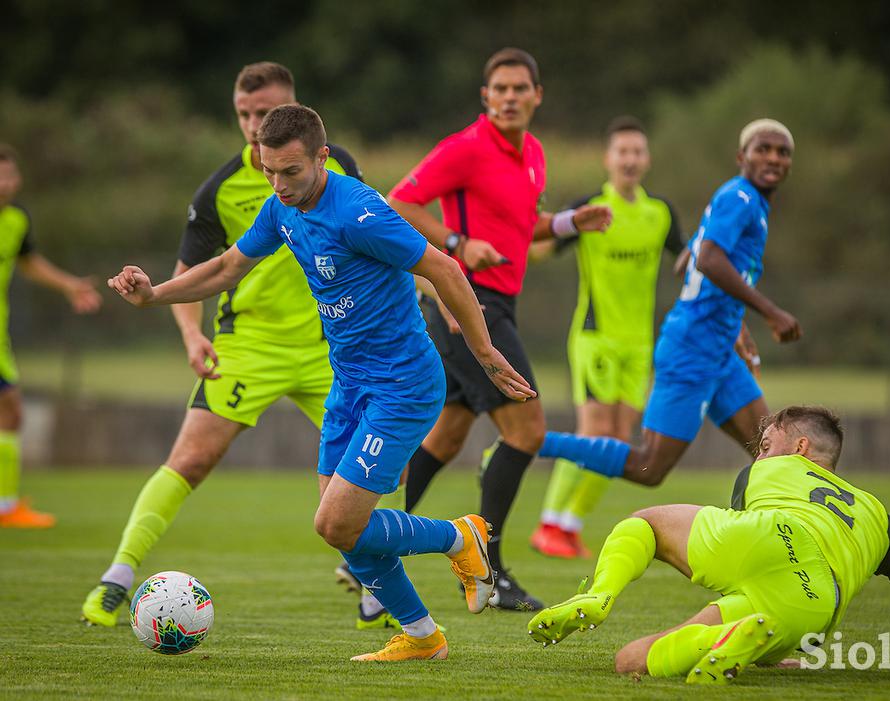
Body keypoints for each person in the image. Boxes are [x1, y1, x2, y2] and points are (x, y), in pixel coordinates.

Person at [108, 103, 536, 662]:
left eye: (291, 171)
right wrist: (154, 295)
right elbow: (225, 268)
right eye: (269, 172)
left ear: (322, 157)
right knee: (341, 531)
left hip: (403, 385)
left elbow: (444, 268)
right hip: (350, 384)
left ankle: (461, 537)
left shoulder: (359, 212)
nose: (279, 185)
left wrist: (483, 351)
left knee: (337, 520)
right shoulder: (280, 211)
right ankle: (425, 637)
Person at [79, 62, 383, 627]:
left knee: (378, 462)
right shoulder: (221, 188)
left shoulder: (334, 166)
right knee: (189, 459)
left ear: (296, 113)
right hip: (249, 345)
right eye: (243, 113)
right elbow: (204, 270)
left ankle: (375, 590)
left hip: (330, 348)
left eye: (264, 112)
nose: (252, 124)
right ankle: (117, 578)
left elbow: (376, 241)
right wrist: (192, 334)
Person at [388, 47, 612, 610]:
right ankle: (488, 572)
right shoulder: (464, 148)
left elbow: (521, 226)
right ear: (486, 98)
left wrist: (567, 223)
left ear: (538, 96)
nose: (510, 97)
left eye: (521, 89)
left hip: (498, 302)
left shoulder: (533, 152)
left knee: (447, 435)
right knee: (526, 432)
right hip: (468, 302)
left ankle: (366, 537)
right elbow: (398, 203)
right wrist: (459, 243)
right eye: (500, 89)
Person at [528, 406, 890, 683]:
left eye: (765, 445)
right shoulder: (876, 515)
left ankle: (600, 593)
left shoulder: (770, 472)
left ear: (800, 447)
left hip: (774, 537)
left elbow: (745, 557)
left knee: (644, 524)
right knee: (632, 662)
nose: (760, 456)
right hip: (814, 609)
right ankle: (732, 640)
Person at [536, 119, 802, 488]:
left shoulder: (744, 201)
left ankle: (775, 532)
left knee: (773, 456)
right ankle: (534, 442)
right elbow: (708, 259)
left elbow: (691, 256)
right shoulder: (739, 198)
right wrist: (771, 313)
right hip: (691, 349)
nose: (773, 158)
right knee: (649, 468)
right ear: (742, 156)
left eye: (782, 152)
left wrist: (734, 322)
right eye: (763, 149)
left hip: (719, 349)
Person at [528, 117, 685, 559]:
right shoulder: (591, 206)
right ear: (608, 159)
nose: (630, 159)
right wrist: (522, 221)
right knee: (594, 428)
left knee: (620, 441)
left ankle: (570, 526)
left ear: (646, 159)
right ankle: (548, 523)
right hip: (595, 339)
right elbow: (540, 249)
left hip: (638, 343)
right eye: (623, 151)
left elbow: (691, 259)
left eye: (637, 151)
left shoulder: (661, 215)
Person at [0, 144, 102, 528]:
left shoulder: (16, 219)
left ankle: (6, 506)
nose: (5, 184)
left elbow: (27, 261)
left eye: (10, 175)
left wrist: (69, 285)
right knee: (9, 407)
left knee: (10, 411)